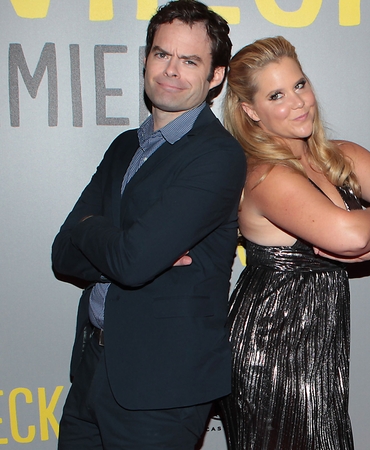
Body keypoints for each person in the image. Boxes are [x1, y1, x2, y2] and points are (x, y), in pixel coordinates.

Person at [217, 36, 370, 450]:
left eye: (300, 85)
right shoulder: (265, 176)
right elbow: (351, 237)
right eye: (277, 95)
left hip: (319, 342)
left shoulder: (339, 155)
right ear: (250, 111)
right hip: (270, 346)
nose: (298, 102)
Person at [50, 1, 245, 448]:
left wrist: (95, 231)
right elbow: (64, 251)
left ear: (216, 76)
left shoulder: (216, 156)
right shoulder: (124, 147)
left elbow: (133, 261)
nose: (171, 70)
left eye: (190, 60)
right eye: (162, 54)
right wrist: (117, 246)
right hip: (93, 370)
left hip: (162, 388)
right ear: (146, 58)